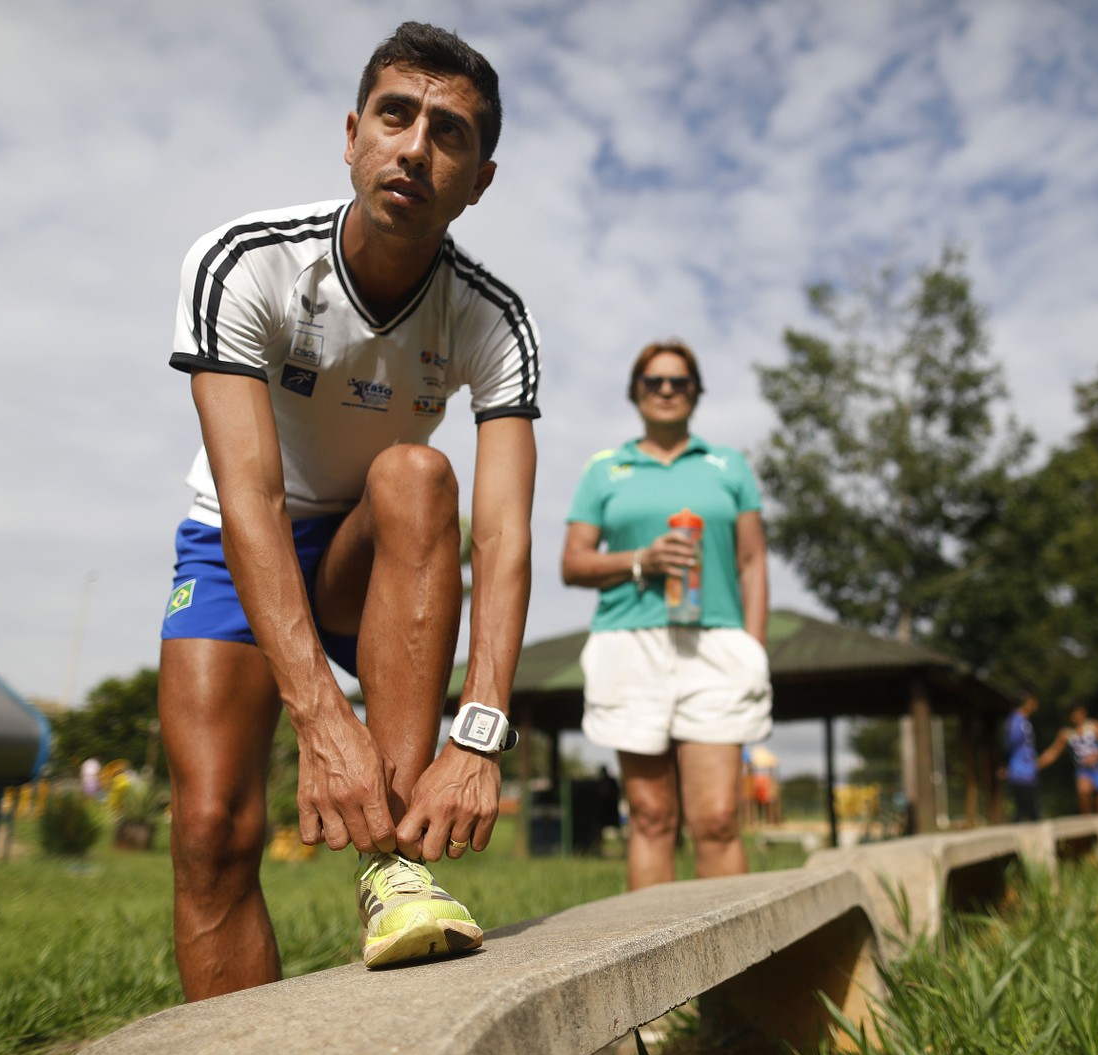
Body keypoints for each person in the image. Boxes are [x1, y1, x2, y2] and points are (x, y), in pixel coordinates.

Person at [157, 23, 540, 1000]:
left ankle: (393, 866)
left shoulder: (491, 317)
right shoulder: (245, 261)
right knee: (211, 830)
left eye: (448, 132)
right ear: (352, 133)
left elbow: (499, 537)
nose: (415, 147)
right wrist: (323, 719)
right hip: (238, 539)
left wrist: (479, 731)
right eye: (395, 115)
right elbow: (248, 498)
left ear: (479, 179)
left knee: (416, 473)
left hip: (371, 550)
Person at [560, 340, 771, 890]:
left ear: (696, 392)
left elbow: (752, 562)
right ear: (636, 392)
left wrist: (754, 645)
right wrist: (641, 560)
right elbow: (572, 564)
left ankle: (736, 969)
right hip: (631, 643)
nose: (667, 391)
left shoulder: (728, 465)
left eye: (680, 381)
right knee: (651, 818)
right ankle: (653, 969)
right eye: (654, 382)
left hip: (716, 644)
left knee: (719, 818)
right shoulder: (606, 469)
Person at [1036, 704, 1098, 815]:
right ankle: (1088, 824)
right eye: (1073, 714)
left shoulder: (1095, 726)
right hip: (1083, 770)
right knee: (1083, 792)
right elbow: (1053, 752)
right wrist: (1036, 764)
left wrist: (1096, 757)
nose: (1076, 716)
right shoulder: (1066, 733)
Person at [998, 693, 1040, 822]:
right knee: (1026, 808)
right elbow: (1008, 745)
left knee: (1029, 807)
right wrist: (1004, 765)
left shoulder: (1024, 721)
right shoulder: (1017, 721)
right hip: (1020, 770)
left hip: (1027, 769)